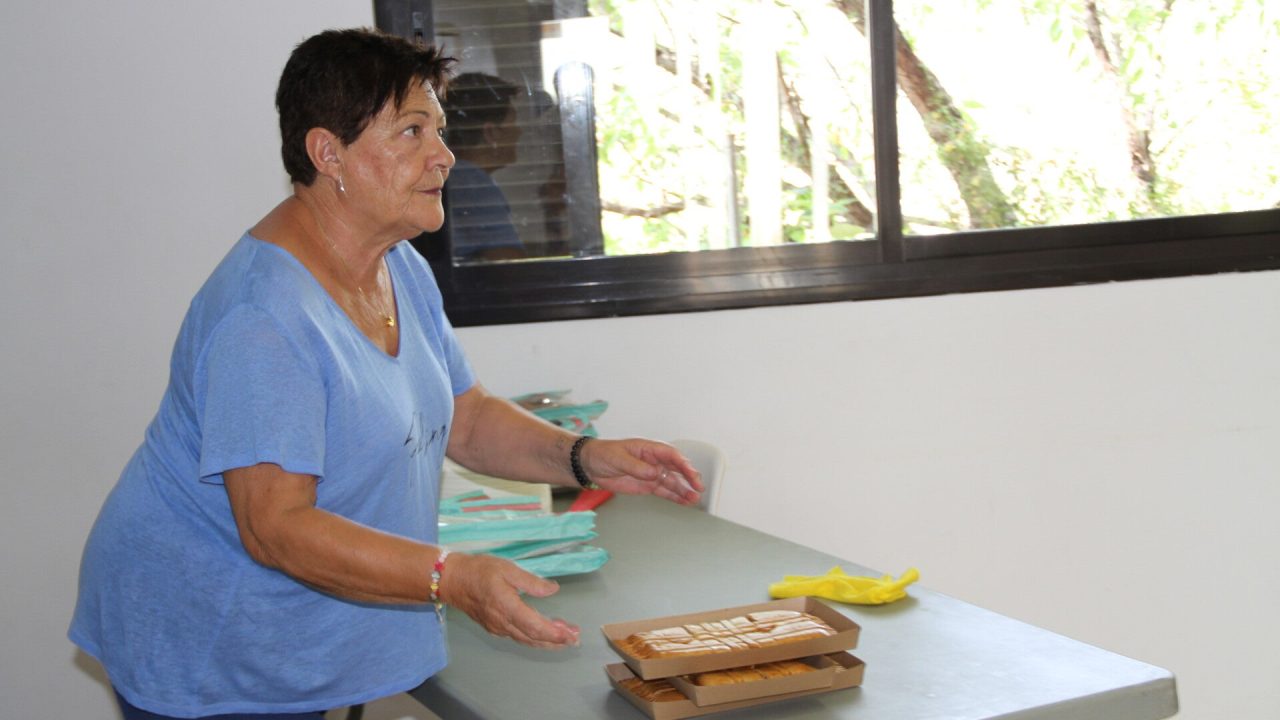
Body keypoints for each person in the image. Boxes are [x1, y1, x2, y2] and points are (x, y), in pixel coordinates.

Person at [68, 28, 702, 720]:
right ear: (327, 153)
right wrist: (450, 576)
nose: (444, 155)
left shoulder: (397, 264)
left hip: (289, 627)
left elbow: (464, 416)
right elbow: (276, 527)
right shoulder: (262, 318)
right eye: (411, 132)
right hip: (206, 633)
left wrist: (584, 458)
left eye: (440, 131)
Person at [441, 72, 530, 260]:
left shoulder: (456, 176)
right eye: (513, 122)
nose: (519, 131)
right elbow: (508, 263)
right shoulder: (472, 183)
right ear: (491, 133)